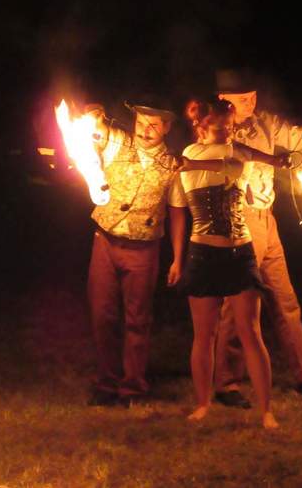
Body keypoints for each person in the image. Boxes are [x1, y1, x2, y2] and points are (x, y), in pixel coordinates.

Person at [212, 69, 302, 408]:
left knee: (285, 300)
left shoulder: (266, 123)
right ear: (223, 100)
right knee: (238, 304)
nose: (250, 102)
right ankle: (226, 383)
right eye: (242, 98)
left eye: (252, 96)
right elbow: (231, 153)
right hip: (239, 219)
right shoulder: (214, 128)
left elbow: (298, 139)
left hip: (266, 218)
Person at [177, 98, 291, 429]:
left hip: (240, 253)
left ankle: (266, 411)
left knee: (251, 331)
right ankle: (202, 404)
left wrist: (276, 159)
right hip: (203, 253)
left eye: (230, 126)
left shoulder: (233, 154)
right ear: (200, 128)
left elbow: (234, 163)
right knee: (204, 335)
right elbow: (218, 161)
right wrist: (187, 164)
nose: (228, 132)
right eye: (219, 127)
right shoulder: (190, 153)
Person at [85, 97, 188, 407]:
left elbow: (177, 212)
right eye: (141, 123)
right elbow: (94, 128)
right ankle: (106, 383)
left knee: (137, 320)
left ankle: (133, 387)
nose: (145, 130)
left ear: (166, 128)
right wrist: (93, 113)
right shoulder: (117, 143)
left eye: (153, 125)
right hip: (105, 241)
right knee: (102, 315)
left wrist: (178, 258)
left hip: (143, 249)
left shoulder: (173, 164)